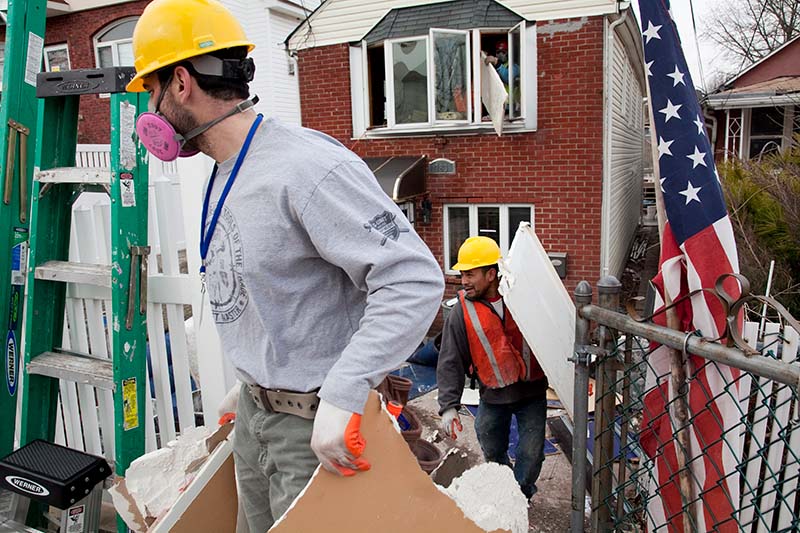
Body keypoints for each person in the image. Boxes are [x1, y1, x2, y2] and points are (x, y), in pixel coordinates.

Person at [127, 1, 445, 530]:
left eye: (150, 91)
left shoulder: (306, 167)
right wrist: (255, 374)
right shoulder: (225, 169)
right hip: (257, 418)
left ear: (180, 82)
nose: (151, 109)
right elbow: (273, 283)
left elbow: (411, 279)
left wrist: (346, 393)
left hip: (315, 428)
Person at [436, 236, 547, 499]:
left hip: (532, 393)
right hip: (493, 395)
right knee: (492, 450)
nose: (463, 281)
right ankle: (507, 492)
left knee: (531, 455)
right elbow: (451, 359)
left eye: (470, 274)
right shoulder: (460, 312)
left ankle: (520, 496)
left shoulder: (523, 296)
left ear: (491, 274)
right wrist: (448, 406)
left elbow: (553, 334)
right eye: (462, 274)